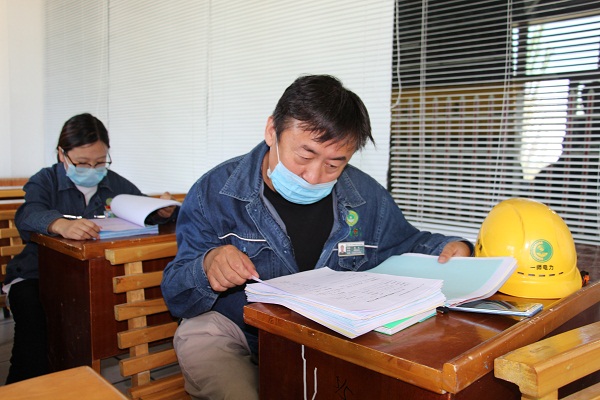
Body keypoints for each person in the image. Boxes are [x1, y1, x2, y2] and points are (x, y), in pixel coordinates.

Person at [161, 75, 473, 399]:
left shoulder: (365, 196)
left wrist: (453, 248)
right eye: (305, 156)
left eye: (334, 164)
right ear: (272, 131)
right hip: (233, 330)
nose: (313, 177)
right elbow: (176, 295)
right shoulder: (215, 192)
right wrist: (207, 266)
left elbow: (406, 244)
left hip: (324, 338)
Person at [4, 113, 178, 384]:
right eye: (82, 162)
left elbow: (141, 210)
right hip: (38, 275)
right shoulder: (45, 180)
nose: (92, 169)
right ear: (62, 154)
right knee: (34, 332)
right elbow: (28, 214)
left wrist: (162, 211)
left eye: (100, 162)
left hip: (94, 278)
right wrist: (59, 224)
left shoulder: (116, 184)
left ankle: (84, 381)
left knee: (109, 320)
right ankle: (26, 388)